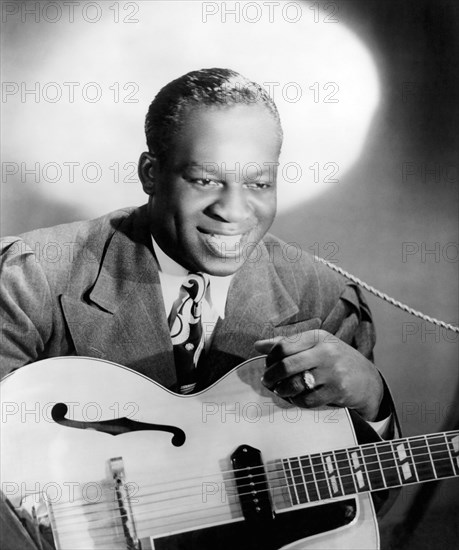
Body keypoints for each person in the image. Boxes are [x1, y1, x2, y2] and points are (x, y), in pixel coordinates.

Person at [0, 68, 396, 549]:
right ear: (151, 173)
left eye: (259, 184)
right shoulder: (33, 276)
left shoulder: (322, 294)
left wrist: (373, 400)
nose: (233, 211)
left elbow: (361, 507)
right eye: (205, 180)